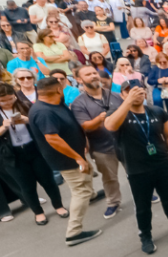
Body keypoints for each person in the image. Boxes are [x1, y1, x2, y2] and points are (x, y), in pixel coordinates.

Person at [104, 81, 168, 254]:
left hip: (163, 164)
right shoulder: (118, 113)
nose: (136, 93)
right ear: (122, 95)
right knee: (143, 205)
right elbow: (110, 126)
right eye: (129, 91)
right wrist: (128, 102)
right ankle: (145, 235)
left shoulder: (156, 111)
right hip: (138, 169)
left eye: (139, 90)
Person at [28, 77, 103, 246]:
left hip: (76, 155)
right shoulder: (44, 112)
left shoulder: (55, 103)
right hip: (67, 160)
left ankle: (90, 195)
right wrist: (76, 157)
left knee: (88, 173)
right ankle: (74, 233)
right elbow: (52, 139)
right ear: (58, 90)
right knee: (79, 191)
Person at [0, 83, 67, 225]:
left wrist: (27, 120)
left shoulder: (24, 105)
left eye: (10, 98)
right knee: (26, 186)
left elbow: (42, 123)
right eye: (3, 100)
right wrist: (3, 127)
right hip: (13, 156)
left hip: (34, 149)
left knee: (48, 181)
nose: (7, 102)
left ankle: (59, 206)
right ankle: (38, 213)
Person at [71, 65, 124, 218]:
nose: (93, 76)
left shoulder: (115, 95)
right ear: (79, 80)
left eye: (94, 73)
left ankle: (146, 194)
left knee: (135, 172)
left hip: (125, 142)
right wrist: (100, 119)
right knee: (109, 178)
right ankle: (113, 203)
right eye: (88, 74)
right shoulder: (78, 103)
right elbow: (85, 126)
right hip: (102, 147)